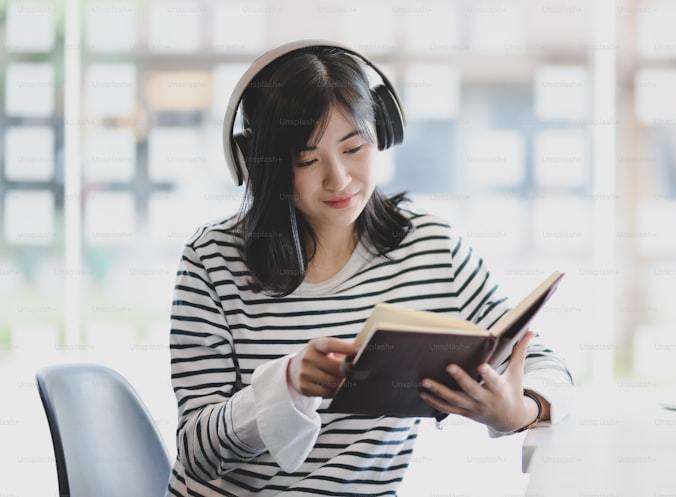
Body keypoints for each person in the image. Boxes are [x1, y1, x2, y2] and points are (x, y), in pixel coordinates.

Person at [166, 40, 573, 496]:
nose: (338, 179)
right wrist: (284, 386)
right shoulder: (213, 259)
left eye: (354, 147)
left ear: (382, 134)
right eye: (306, 160)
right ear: (259, 163)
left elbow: (543, 364)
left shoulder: (430, 247)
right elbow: (196, 453)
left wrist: (517, 411)